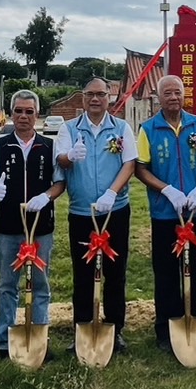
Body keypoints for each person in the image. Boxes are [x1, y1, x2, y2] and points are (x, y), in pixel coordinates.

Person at [55, 76, 139, 353]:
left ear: (109, 98)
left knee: (115, 272)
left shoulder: (121, 128)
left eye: (100, 94)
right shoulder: (69, 128)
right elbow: (60, 159)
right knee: (83, 272)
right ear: (82, 97)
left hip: (115, 210)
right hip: (81, 212)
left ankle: (115, 328)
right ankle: (82, 327)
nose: (95, 99)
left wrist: (112, 193)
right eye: (90, 94)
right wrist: (70, 156)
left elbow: (129, 163)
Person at [0, 89, 65, 359]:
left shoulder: (49, 146)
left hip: (41, 226)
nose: (24, 116)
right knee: (7, 285)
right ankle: (4, 342)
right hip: (7, 226)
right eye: (18, 111)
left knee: (40, 284)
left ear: (37, 115)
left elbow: (59, 183)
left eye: (29, 112)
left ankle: (39, 337)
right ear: (10, 114)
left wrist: (46, 196)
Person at [135, 74, 196, 355]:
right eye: (167, 93)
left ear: (184, 95)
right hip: (165, 213)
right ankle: (166, 329)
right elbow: (141, 168)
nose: (173, 97)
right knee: (166, 272)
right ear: (158, 97)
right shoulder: (148, 129)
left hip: (195, 211)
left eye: (177, 92)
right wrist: (167, 190)